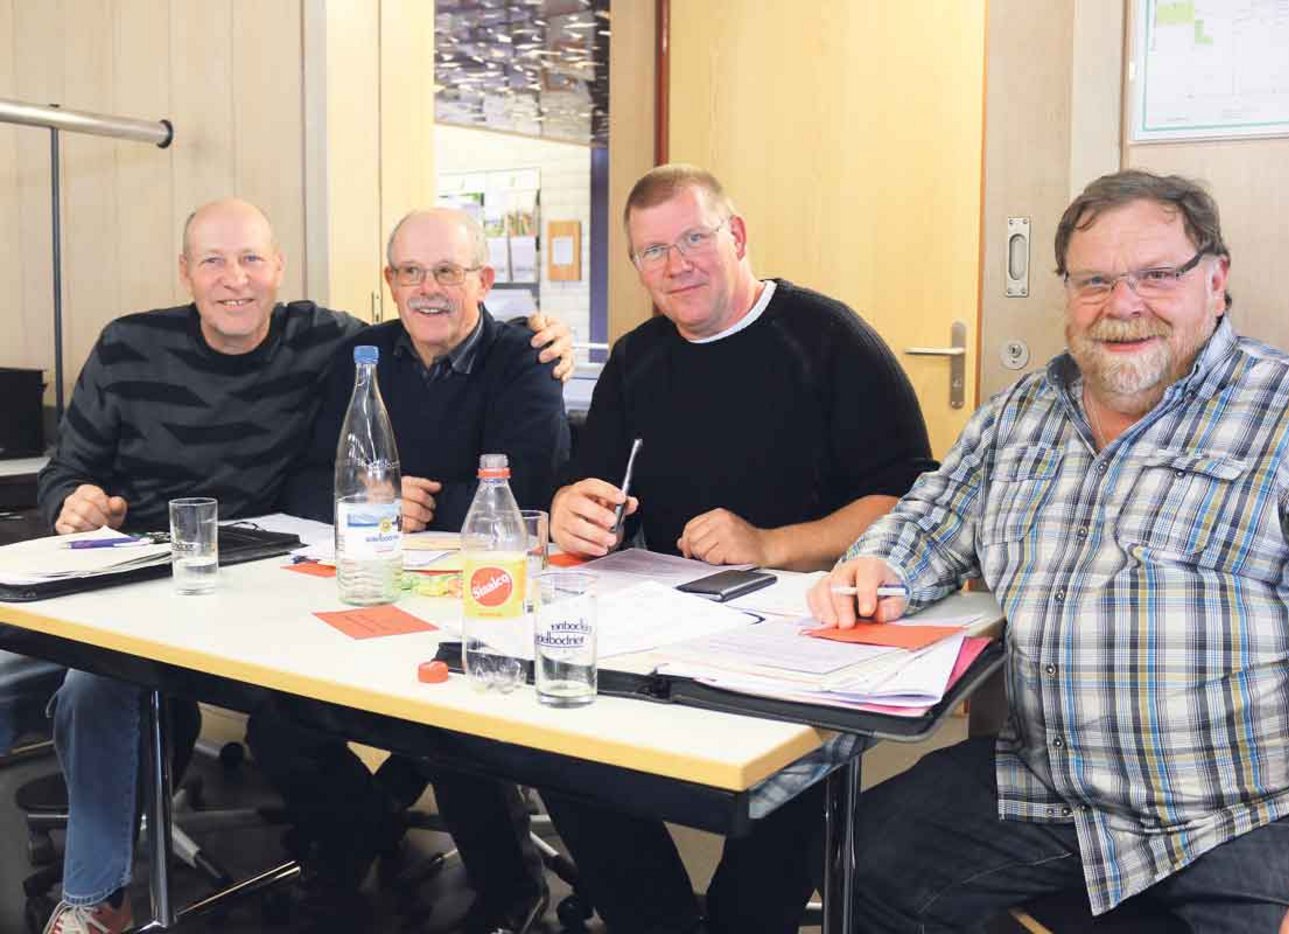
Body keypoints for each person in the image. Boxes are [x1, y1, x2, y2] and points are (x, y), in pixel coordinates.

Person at [809, 170, 1289, 933]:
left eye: (1156, 275)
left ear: (1215, 281)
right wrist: (881, 564)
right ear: (1067, 293)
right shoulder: (1021, 411)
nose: (1123, 305)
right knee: (854, 860)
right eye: (1095, 281)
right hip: (1047, 786)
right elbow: (931, 517)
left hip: (1247, 806)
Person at [30, 198, 572, 934]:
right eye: (410, 272)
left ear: (278, 268)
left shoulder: (379, 346)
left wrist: (539, 336)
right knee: (194, 704)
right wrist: (76, 501)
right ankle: (120, 894)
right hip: (200, 572)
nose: (235, 280)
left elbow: (516, 470)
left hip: (382, 581)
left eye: (252, 259)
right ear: (186, 272)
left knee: (411, 714)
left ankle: (486, 878)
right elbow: (305, 479)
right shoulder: (337, 353)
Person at [543, 164, 935, 933]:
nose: (676, 264)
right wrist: (569, 509)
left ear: (739, 236)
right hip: (671, 618)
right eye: (652, 252)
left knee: (786, 798)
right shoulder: (637, 356)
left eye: (695, 238)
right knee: (559, 748)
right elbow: (589, 481)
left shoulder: (829, 341)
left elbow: (913, 501)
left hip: (816, 627)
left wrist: (772, 543)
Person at [246, 206, 571, 932]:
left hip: (481, 596)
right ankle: (362, 824)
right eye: (411, 272)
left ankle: (512, 893)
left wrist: (421, 503)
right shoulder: (361, 358)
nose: (429, 288)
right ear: (390, 283)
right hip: (378, 585)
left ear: (483, 281)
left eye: (448, 272)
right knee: (277, 723)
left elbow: (534, 492)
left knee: (449, 724)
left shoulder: (525, 360)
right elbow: (302, 480)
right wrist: (365, 504)